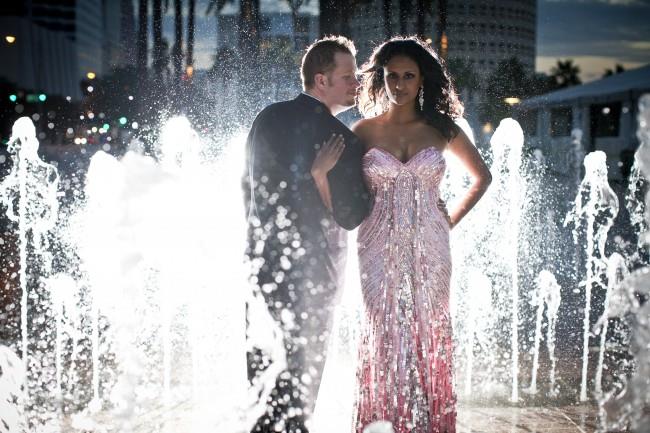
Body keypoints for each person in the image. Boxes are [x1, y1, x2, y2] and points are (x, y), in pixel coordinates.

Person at [310, 37, 492, 433]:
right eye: (392, 76)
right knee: (385, 329)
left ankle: (428, 424)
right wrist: (320, 177)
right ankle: (384, 423)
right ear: (382, 79)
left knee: (429, 327)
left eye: (409, 76)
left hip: (432, 246)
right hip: (375, 245)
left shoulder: (441, 129)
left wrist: (449, 220)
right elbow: (343, 201)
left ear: (422, 79)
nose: (400, 84)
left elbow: (482, 178)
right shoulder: (363, 131)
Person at [243, 36, 370, 433]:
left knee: (262, 372)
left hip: (261, 261)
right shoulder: (342, 141)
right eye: (348, 76)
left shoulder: (266, 117)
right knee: (302, 372)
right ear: (321, 79)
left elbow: (248, 188)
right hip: (314, 269)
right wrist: (320, 176)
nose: (356, 84)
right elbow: (350, 217)